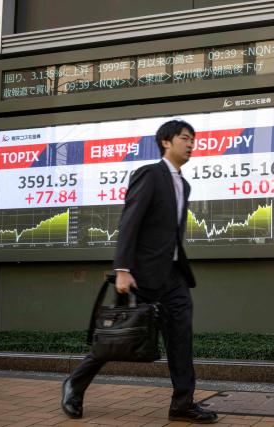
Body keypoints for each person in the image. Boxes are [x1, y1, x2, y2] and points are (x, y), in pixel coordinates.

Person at [61, 120, 218, 424]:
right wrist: (122, 268)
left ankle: (182, 404)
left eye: (193, 140)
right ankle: (74, 384)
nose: (190, 144)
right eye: (185, 138)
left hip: (174, 276)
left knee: (181, 338)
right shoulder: (150, 174)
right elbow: (129, 221)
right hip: (142, 274)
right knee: (119, 336)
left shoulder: (183, 184)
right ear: (166, 142)